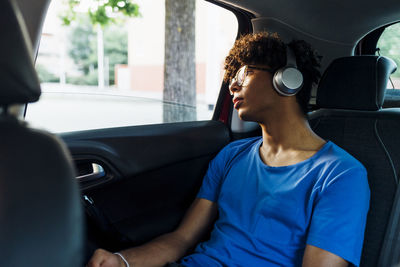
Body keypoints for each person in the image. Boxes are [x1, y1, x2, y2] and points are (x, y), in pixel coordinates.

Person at [87, 32, 370, 267]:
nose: (232, 84)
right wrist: (121, 261)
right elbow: (181, 240)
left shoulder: (341, 176)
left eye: (245, 73)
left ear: (287, 79)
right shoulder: (231, 156)